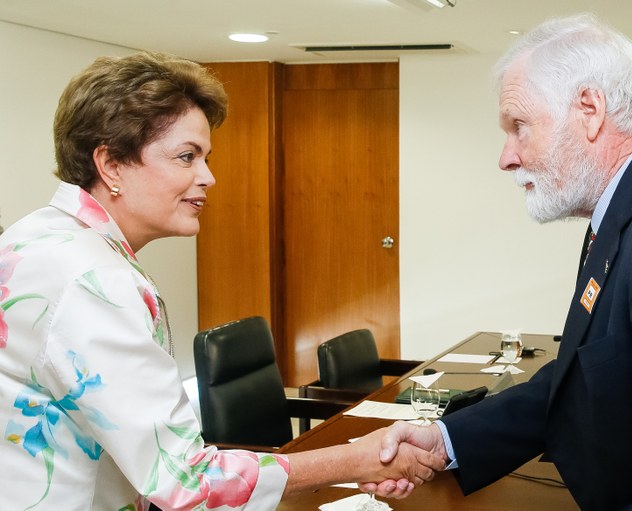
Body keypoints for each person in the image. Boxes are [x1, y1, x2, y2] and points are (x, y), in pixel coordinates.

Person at [0, 51, 442, 510]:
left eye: (205, 158)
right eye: (186, 157)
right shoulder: (93, 280)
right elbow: (184, 482)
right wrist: (357, 460)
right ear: (111, 165)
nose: (208, 177)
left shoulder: (34, 236)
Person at [366, 13, 632, 510]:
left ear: (589, 109)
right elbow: (582, 375)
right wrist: (449, 440)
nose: (506, 157)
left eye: (519, 127)